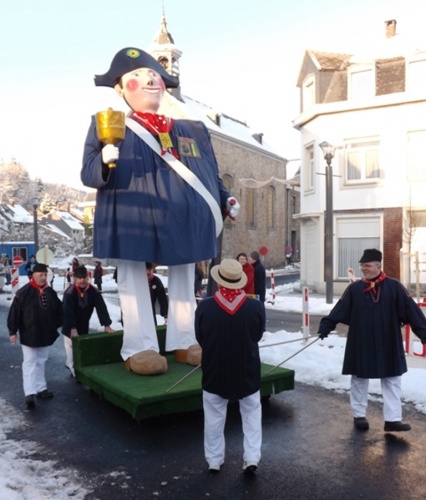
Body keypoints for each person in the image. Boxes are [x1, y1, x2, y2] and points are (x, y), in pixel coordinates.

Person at [81, 47, 239, 374]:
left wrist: (225, 198)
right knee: (132, 277)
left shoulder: (191, 129)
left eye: (154, 75)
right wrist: (104, 160)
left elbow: (207, 172)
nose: (150, 80)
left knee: (185, 275)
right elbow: (88, 172)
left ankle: (185, 340)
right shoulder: (107, 125)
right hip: (133, 213)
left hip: (182, 213)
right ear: (120, 89)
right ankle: (140, 347)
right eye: (137, 76)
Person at [318, 248, 426, 432]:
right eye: (362, 266)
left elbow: (411, 310)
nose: (363, 269)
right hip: (361, 340)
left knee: (392, 378)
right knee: (359, 378)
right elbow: (340, 309)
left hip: (388, 339)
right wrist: (326, 326)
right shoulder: (354, 289)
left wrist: (423, 333)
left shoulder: (395, 287)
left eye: (367, 265)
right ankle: (359, 415)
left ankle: (392, 420)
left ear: (378, 266)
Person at [195, 259, 265, 474]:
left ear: (219, 281)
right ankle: (252, 457)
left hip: (215, 369)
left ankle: (214, 459)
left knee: (214, 417)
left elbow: (200, 337)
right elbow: (257, 335)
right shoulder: (255, 306)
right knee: (251, 414)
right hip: (247, 369)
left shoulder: (205, 306)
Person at [7, 263, 63, 409]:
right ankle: (29, 393)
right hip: (29, 333)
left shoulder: (50, 292)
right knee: (30, 362)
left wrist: (54, 325)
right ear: (33, 275)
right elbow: (15, 313)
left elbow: (59, 310)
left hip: (45, 333)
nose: (43, 278)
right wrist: (13, 331)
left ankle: (41, 388)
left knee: (42, 360)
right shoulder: (23, 293)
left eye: (45, 275)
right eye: (40, 275)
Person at [62, 265, 115, 377]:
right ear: (75, 279)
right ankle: (74, 370)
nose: (82, 281)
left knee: (81, 346)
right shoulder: (69, 293)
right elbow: (67, 311)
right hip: (69, 325)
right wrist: (72, 328)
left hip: (84, 323)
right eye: (79, 278)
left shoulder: (93, 291)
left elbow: (101, 307)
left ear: (88, 278)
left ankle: (74, 364)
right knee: (70, 346)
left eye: (84, 278)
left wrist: (106, 324)